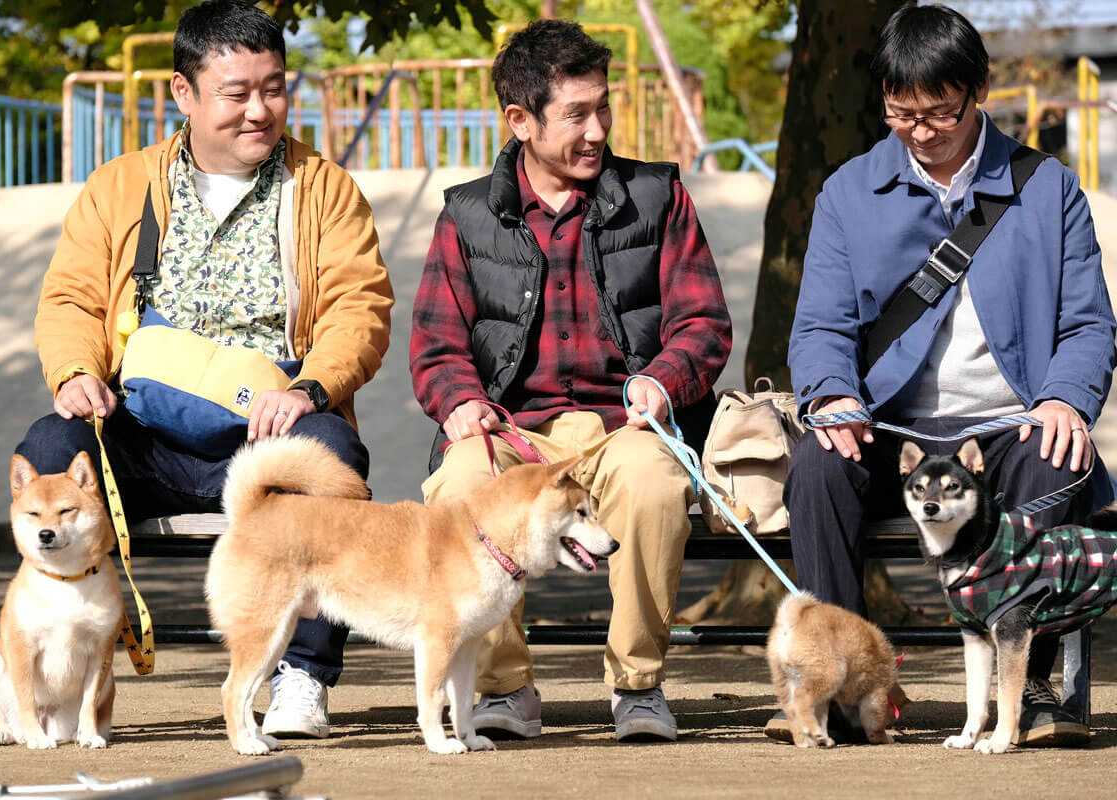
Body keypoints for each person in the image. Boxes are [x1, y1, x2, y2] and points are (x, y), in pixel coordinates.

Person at [16, 0, 393, 741]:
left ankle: (302, 678)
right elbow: (70, 298)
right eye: (237, 93)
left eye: (275, 88)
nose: (261, 110)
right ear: (183, 95)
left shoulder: (325, 190)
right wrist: (73, 373)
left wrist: (309, 389)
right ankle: (62, 669)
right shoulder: (120, 187)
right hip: (141, 426)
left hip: (268, 427)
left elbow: (360, 307)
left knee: (331, 455)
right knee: (50, 451)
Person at [783, 4, 1116, 746]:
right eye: (901, 114)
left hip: (1009, 423)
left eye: (940, 112)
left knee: (1054, 453)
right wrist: (833, 393)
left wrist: (1065, 398)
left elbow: (1089, 322)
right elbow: (820, 329)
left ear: (979, 91)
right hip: (891, 424)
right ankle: (842, 684)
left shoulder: (1046, 187)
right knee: (815, 468)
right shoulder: (849, 191)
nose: (921, 130)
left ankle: (1025, 684)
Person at [409, 19, 731, 743]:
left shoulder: (658, 195)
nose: (597, 129)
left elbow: (704, 325)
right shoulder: (466, 213)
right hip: (510, 429)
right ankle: (502, 687)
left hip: (622, 427)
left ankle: (638, 684)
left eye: (603, 108)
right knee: (458, 491)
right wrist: (460, 402)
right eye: (576, 114)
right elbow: (435, 343)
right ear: (520, 121)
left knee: (652, 488)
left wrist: (663, 379)